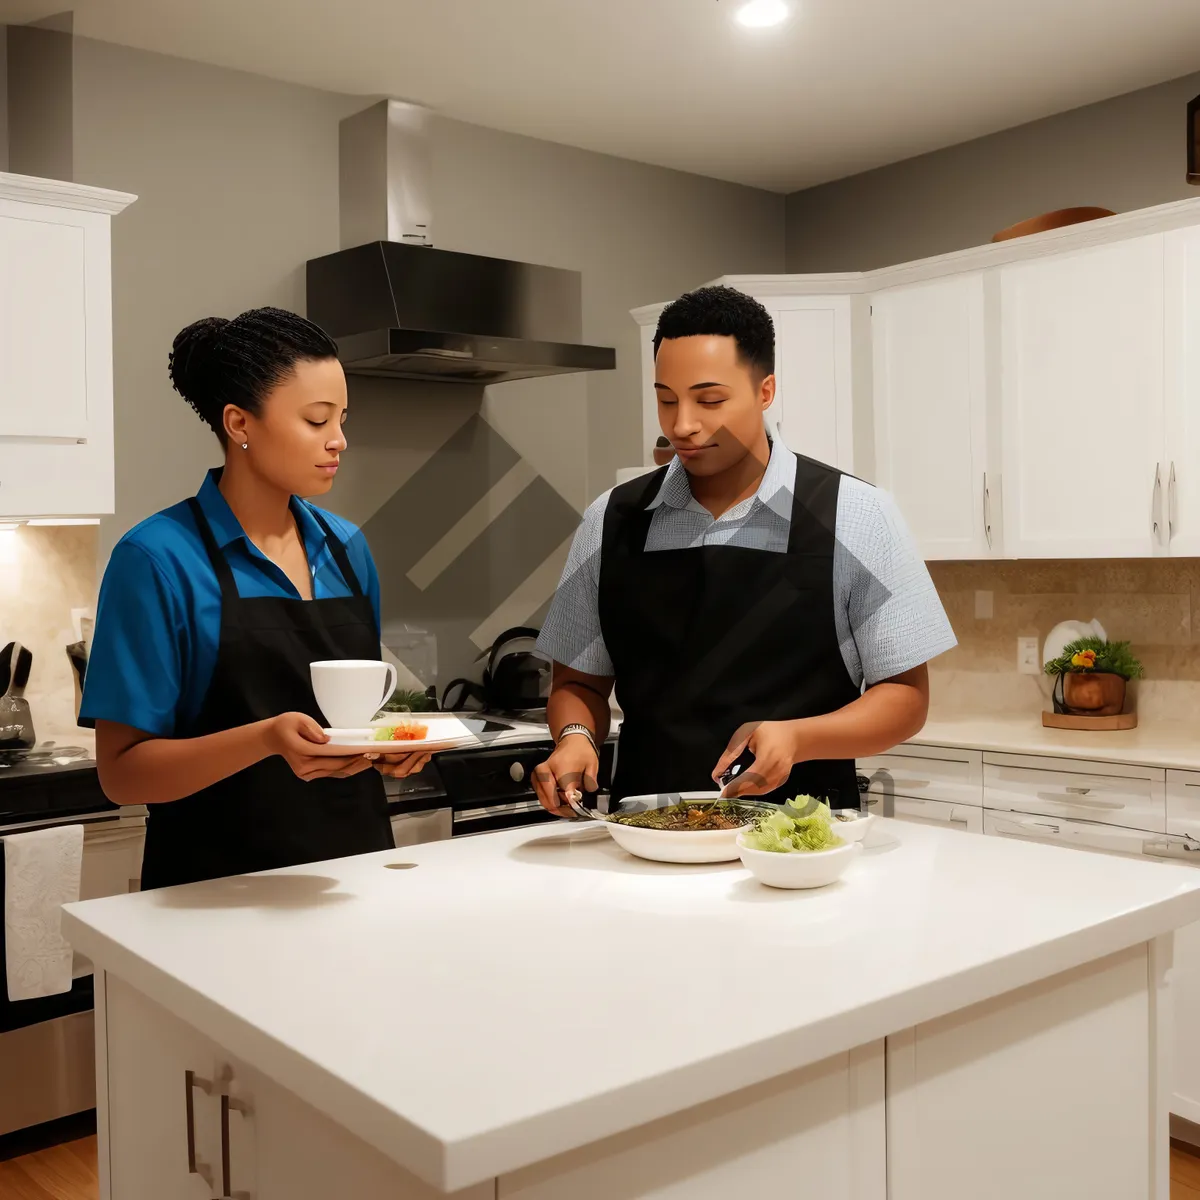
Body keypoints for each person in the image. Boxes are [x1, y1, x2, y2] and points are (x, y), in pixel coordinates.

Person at [532, 285, 956, 814]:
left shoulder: (857, 515)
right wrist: (576, 736)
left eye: (709, 400)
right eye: (666, 399)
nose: (682, 424)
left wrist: (800, 738)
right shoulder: (609, 520)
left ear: (765, 390)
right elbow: (578, 682)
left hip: (801, 845)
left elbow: (905, 700)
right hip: (647, 836)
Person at [80, 307, 428, 889]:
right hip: (213, 895)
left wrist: (386, 743)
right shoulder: (156, 560)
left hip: (355, 879)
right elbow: (121, 774)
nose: (339, 440)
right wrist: (266, 741)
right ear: (239, 424)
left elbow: (349, 720)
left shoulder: (347, 549)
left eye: (342, 419)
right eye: (317, 421)